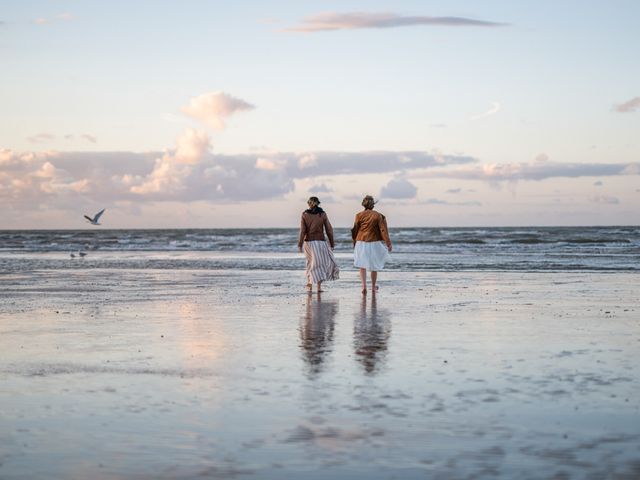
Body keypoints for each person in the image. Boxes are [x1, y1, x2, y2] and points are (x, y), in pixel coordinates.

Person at [351, 195, 392, 295]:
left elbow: (355, 230)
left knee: (362, 265)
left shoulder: (358, 215)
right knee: (374, 265)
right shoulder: (378, 215)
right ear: (373, 204)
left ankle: (364, 286)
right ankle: (373, 287)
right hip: (373, 241)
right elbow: (382, 229)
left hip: (361, 241)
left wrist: (354, 242)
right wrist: (388, 242)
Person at [298, 197, 339, 292]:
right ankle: (319, 287)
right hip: (320, 242)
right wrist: (332, 243)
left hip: (308, 242)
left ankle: (309, 283)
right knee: (319, 264)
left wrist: (299, 244)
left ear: (309, 204)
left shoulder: (304, 215)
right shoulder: (322, 214)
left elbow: (302, 231)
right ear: (318, 203)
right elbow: (329, 230)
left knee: (310, 263)